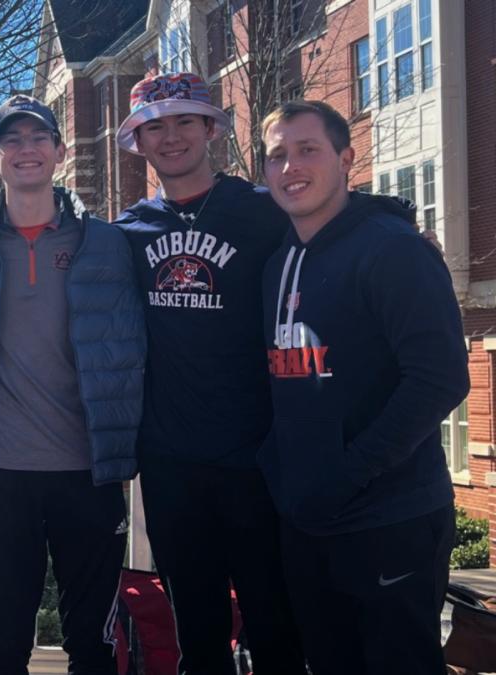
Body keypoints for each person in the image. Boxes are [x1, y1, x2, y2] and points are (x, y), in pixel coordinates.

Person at [260, 99, 468, 674]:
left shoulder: (392, 250)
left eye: (308, 150)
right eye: (277, 155)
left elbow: (441, 378)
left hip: (390, 518)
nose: (290, 167)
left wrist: (350, 474)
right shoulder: (280, 260)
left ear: (347, 158)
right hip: (308, 520)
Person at [110, 73, 305, 674]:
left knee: (275, 622)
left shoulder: (262, 211)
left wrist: (400, 223)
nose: (170, 138)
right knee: (196, 629)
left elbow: (335, 218)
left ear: (210, 130)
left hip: (256, 457)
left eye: (184, 122)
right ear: (138, 141)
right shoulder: (128, 231)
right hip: (170, 463)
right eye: (155, 127)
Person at [0, 94, 145, 675]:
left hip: (89, 470)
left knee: (92, 643)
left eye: (38, 138)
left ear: (60, 152)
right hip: (0, 470)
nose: (26, 150)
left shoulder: (111, 244)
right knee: (3, 646)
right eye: (12, 140)